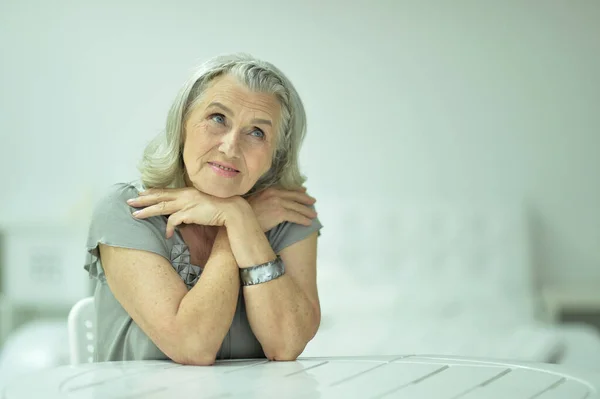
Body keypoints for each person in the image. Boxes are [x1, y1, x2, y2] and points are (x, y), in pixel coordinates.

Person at [84, 53, 323, 365]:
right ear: (183, 124)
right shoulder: (127, 210)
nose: (230, 147)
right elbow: (192, 344)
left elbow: (286, 344)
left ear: (275, 157)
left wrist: (240, 221)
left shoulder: (285, 214)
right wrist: (235, 225)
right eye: (218, 118)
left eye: (257, 132)